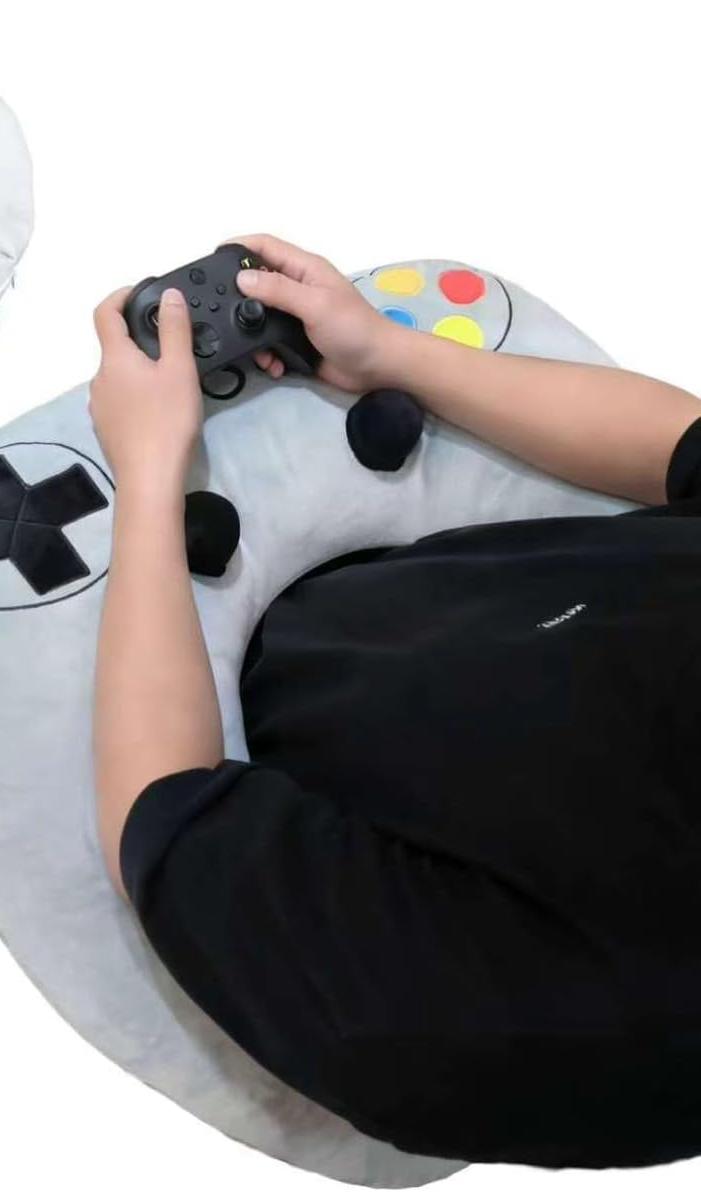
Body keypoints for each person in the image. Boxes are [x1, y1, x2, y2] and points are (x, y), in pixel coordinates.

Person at [86, 233, 701, 1169]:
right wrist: (389, 351)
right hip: (428, 609)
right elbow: (683, 447)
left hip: (297, 721)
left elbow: (162, 811)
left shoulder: (539, 1032)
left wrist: (148, 475)